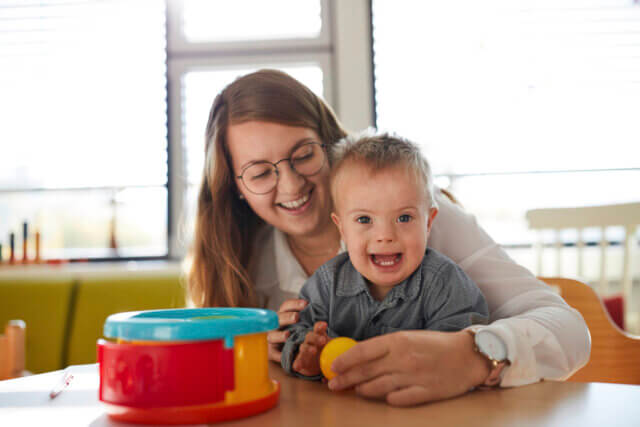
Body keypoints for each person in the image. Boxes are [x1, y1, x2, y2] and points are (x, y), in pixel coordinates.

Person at [187, 69, 590, 406]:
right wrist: (275, 354)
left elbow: (569, 330)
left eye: (304, 154)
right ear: (234, 188)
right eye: (260, 173)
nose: (291, 184)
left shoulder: (418, 218)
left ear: (331, 145)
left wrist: (472, 354)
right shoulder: (240, 263)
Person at [281, 133, 489, 379]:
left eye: (404, 218)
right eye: (364, 219)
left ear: (428, 222)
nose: (385, 236)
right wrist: (307, 353)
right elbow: (295, 334)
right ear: (342, 228)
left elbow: (466, 349)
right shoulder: (326, 284)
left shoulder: (445, 284)